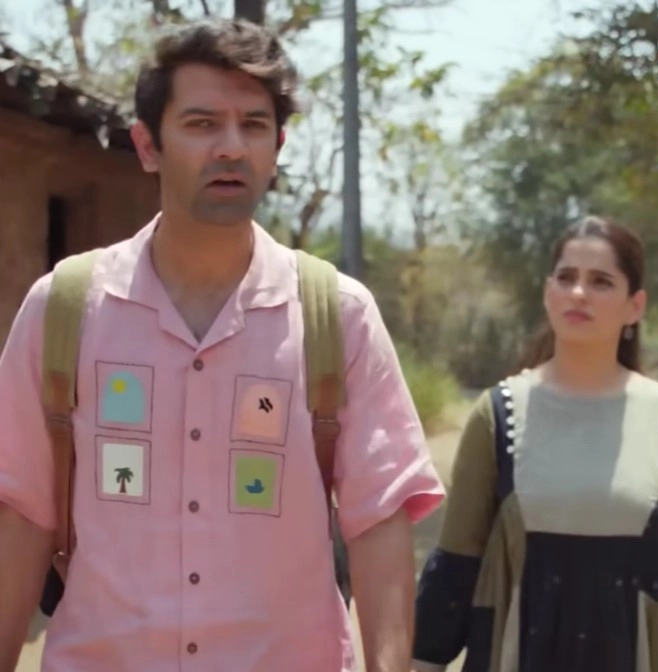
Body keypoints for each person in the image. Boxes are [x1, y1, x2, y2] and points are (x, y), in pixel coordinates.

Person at [0, 18, 444, 672]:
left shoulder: (336, 316)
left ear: (277, 146)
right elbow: (21, 515)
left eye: (253, 125)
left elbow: (378, 519)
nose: (231, 147)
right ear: (147, 145)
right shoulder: (64, 309)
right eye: (203, 124)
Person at [411, 216, 658, 672]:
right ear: (548, 293)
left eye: (601, 282)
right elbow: (455, 568)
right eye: (566, 278)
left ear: (635, 306)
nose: (578, 292)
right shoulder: (498, 413)